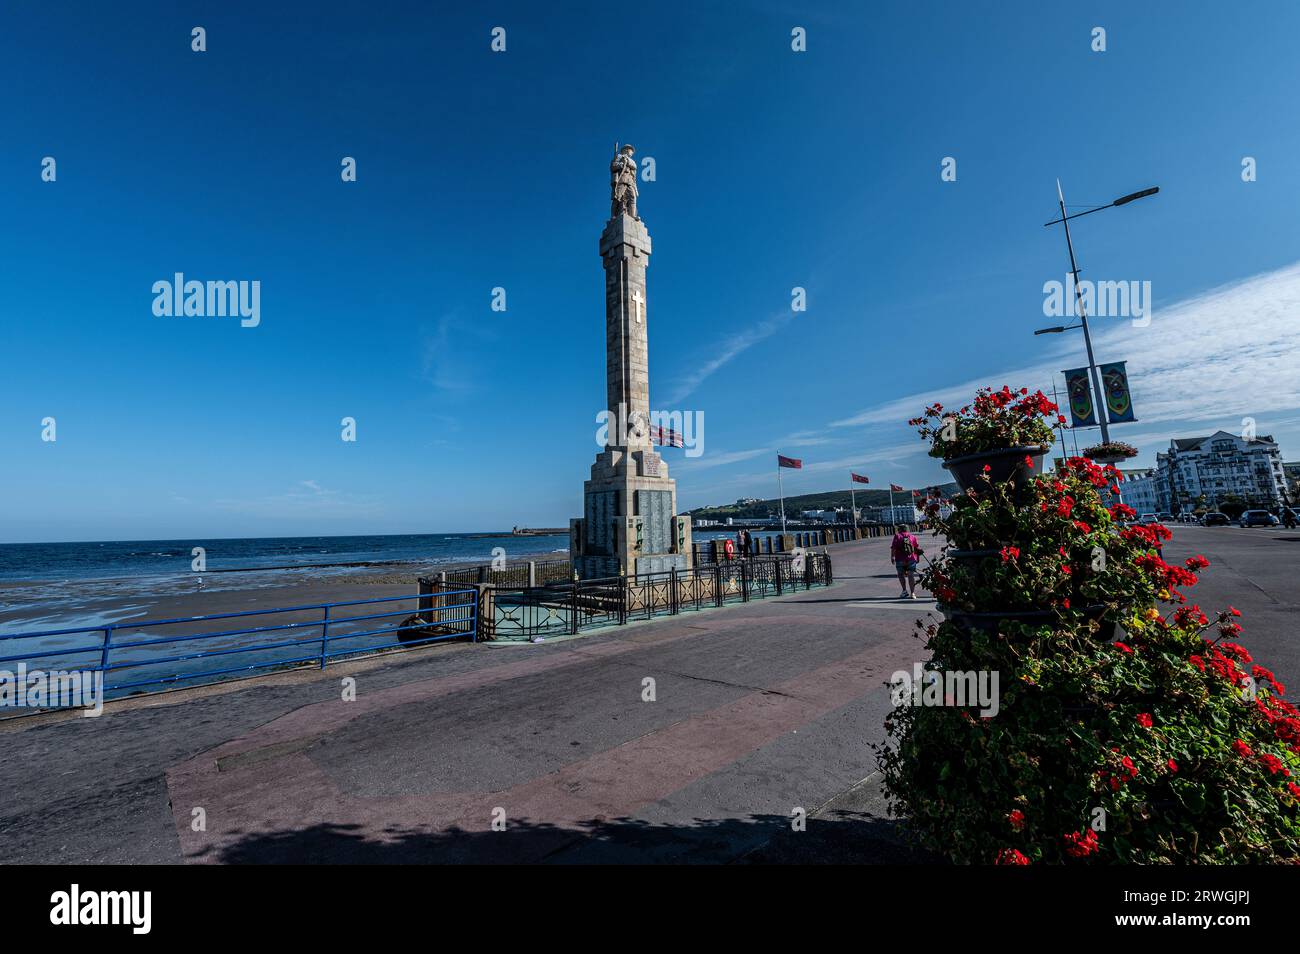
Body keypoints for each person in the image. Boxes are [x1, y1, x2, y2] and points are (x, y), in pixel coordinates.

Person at [890, 525, 923, 599]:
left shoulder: (897, 536)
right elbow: (916, 548)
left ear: (899, 529)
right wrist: (917, 558)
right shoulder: (912, 536)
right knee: (911, 575)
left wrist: (892, 557)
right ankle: (912, 593)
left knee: (901, 575)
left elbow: (893, 547)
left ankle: (904, 591)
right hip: (911, 559)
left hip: (900, 559)